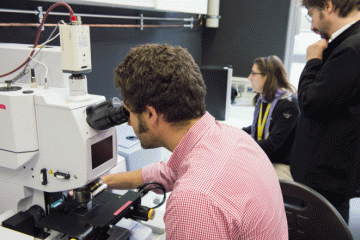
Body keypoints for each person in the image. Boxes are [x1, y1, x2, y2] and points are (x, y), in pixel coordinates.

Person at [101, 43, 288, 239]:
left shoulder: (192, 201)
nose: (128, 122)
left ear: (150, 114)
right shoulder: (232, 137)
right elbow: (169, 171)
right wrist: (102, 182)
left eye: (129, 112)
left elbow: (194, 190)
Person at [290, 0, 360, 224]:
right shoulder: (348, 43)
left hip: (327, 180)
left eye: (311, 14)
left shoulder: (351, 49)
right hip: (329, 176)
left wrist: (312, 60)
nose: (312, 26)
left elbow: (310, 103)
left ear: (328, 6)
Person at [243, 55, 300, 181]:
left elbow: (272, 144)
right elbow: (258, 128)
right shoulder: (265, 99)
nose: (249, 77)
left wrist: (242, 146)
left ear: (267, 77)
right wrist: (234, 133)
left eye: (253, 73)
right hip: (266, 157)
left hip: (281, 165)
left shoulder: (289, 104)